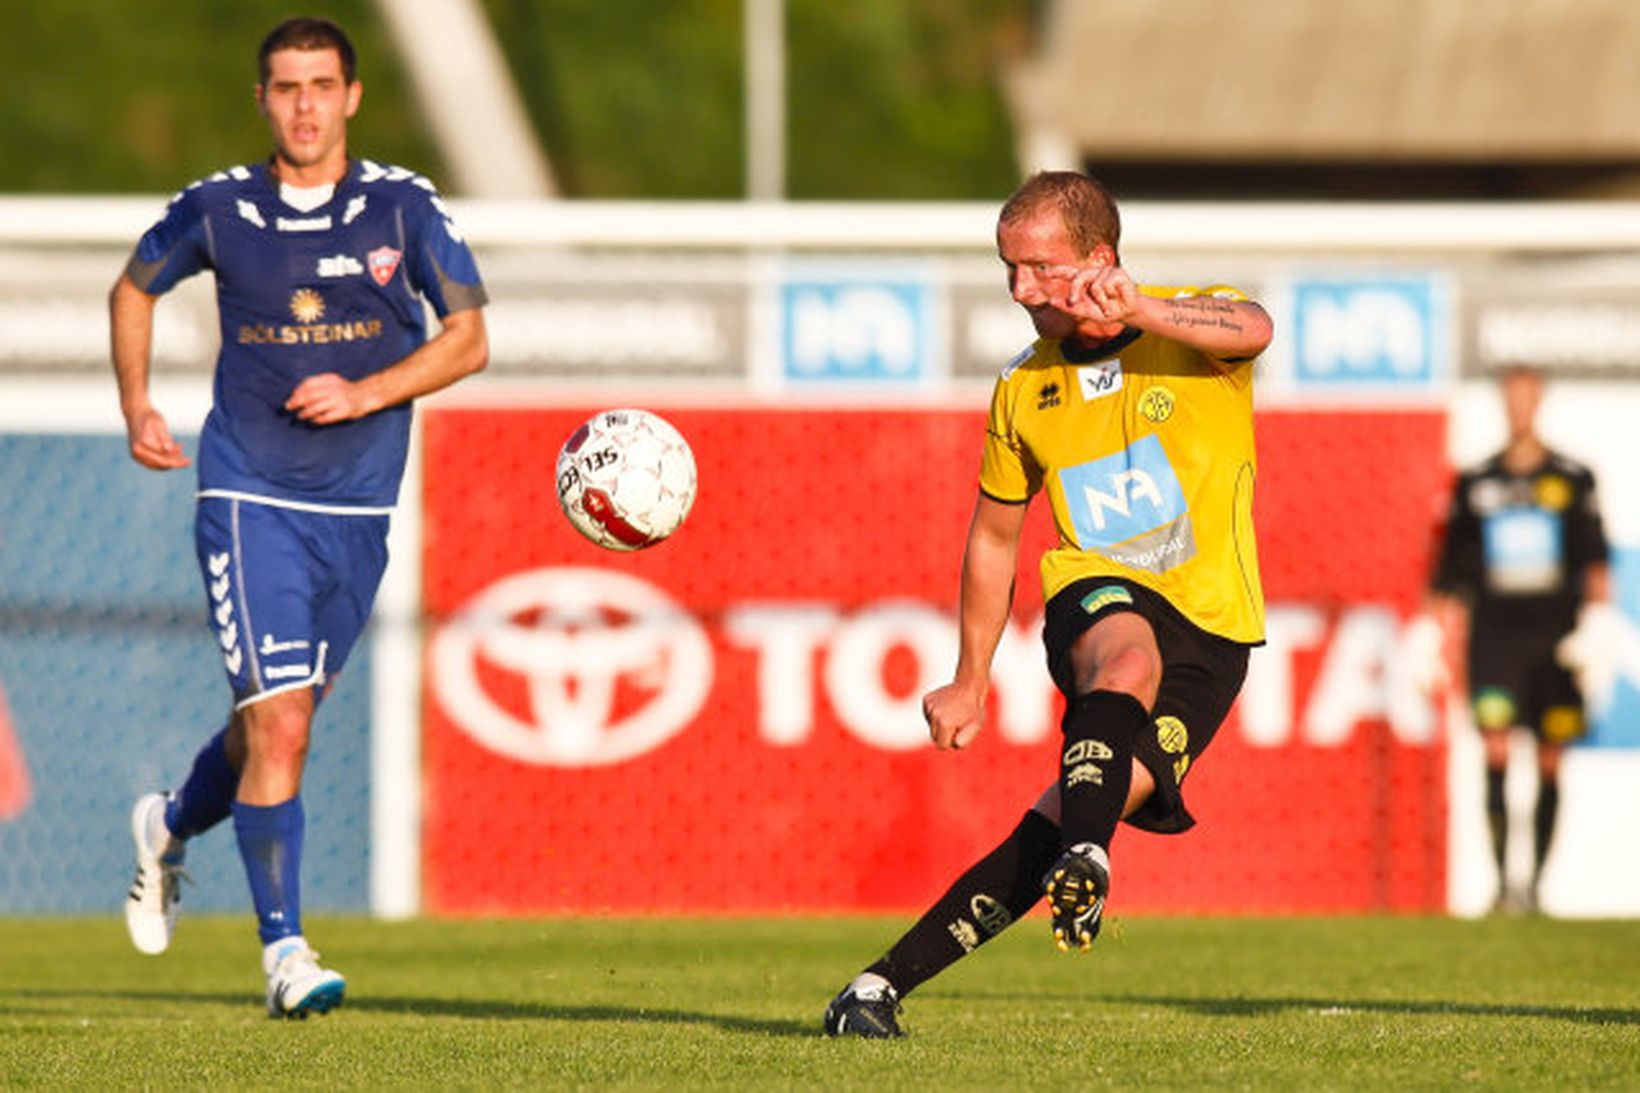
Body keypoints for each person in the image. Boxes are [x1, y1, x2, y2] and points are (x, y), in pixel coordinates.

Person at [822, 170, 1273, 1037]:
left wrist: (1139, 308)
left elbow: (1254, 328)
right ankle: (1092, 853)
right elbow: (994, 538)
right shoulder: (1024, 389)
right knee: (1128, 658)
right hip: (1095, 594)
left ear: (1100, 258)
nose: (1021, 289)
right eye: (1009, 269)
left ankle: (876, 988)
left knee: (1074, 810)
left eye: (1039, 267)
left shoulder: (1187, 323)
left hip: (1217, 629)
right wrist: (968, 678)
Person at [111, 16, 488, 1017]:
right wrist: (136, 404)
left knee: (278, 723)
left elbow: (468, 339)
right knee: (279, 720)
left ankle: (169, 825)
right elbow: (133, 287)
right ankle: (285, 954)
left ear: (353, 96)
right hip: (249, 491)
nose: (306, 104)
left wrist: (367, 392)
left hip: (357, 510)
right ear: (263, 100)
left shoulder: (401, 209)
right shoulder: (221, 208)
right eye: (286, 87)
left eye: (322, 84)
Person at [1413, 364, 1613, 914]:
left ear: (1540, 401)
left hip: (1555, 636)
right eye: (1512, 397)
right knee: (1496, 745)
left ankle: (1537, 887)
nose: (1520, 407)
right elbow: (1449, 567)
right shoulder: (1478, 481)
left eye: (1529, 397)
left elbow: (1596, 560)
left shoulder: (1574, 478)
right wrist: (1430, 629)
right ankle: (1504, 886)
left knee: (1550, 758)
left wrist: (1596, 626)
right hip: (1496, 635)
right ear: (1504, 402)